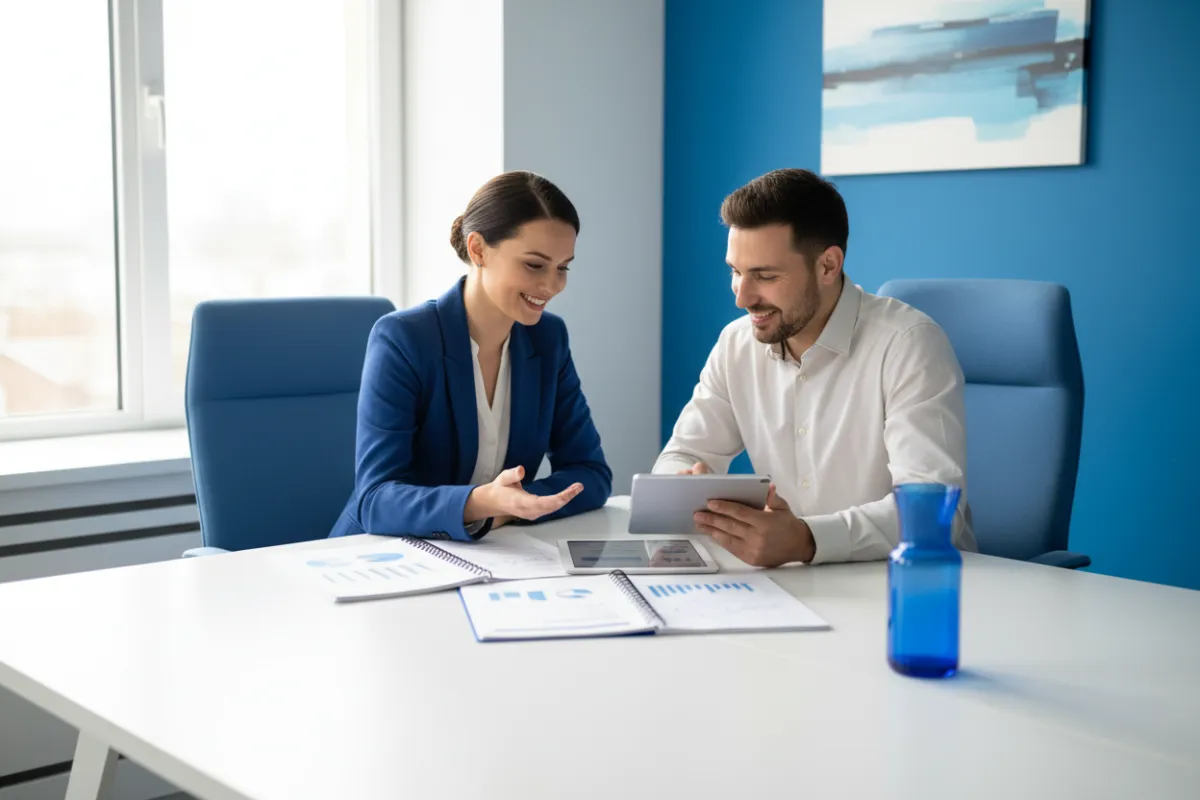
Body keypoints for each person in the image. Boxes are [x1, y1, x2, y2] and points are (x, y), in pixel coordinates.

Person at [654, 168, 976, 566]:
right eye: (735, 272)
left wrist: (808, 539)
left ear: (828, 266)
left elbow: (933, 513)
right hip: (796, 587)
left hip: (910, 585)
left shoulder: (908, 344)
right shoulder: (737, 343)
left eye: (765, 276)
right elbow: (682, 454)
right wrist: (684, 486)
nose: (742, 298)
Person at [330, 171, 612, 541]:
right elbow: (376, 500)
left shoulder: (548, 339)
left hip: (491, 554)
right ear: (478, 249)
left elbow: (590, 473)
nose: (551, 285)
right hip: (384, 554)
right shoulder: (405, 339)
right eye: (534, 264)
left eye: (563, 267)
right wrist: (481, 504)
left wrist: (511, 509)